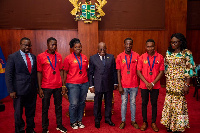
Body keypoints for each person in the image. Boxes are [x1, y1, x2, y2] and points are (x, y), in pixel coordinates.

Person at [160, 33, 196, 132]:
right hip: (170, 82)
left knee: (179, 103)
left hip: (181, 82)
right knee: (169, 102)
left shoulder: (186, 53)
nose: (173, 44)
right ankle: (169, 124)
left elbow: (189, 69)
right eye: (171, 42)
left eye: (175, 42)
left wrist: (187, 84)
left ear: (181, 42)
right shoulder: (169, 52)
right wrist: (167, 80)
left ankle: (179, 126)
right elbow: (166, 67)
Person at [5, 37, 37, 133]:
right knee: (18, 113)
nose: (27, 47)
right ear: (20, 45)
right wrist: (11, 90)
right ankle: (19, 130)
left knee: (31, 111)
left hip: (31, 90)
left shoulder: (33, 57)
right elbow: (8, 75)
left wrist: (37, 88)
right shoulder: (13, 57)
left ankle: (30, 129)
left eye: (29, 45)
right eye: (25, 45)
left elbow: (34, 74)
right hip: (18, 91)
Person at [37, 37, 67, 133]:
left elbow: (61, 71)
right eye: (52, 44)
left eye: (55, 45)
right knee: (45, 108)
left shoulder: (58, 56)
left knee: (58, 106)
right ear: (47, 45)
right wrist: (40, 88)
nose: (54, 47)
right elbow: (39, 73)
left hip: (58, 86)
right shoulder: (41, 56)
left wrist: (63, 85)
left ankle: (59, 125)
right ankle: (45, 128)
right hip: (46, 87)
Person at [137, 39, 164, 132]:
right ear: (145, 47)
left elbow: (161, 72)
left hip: (155, 86)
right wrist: (146, 83)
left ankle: (153, 122)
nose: (150, 48)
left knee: (154, 104)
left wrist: (152, 83)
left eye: (151, 46)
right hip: (144, 85)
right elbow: (138, 71)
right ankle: (145, 122)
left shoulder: (160, 57)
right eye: (148, 46)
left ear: (154, 47)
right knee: (144, 103)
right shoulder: (142, 57)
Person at [89, 42, 118, 128]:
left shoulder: (111, 57)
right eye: (100, 49)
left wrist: (115, 83)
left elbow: (114, 71)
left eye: (104, 49)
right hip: (98, 85)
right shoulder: (93, 58)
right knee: (97, 103)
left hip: (109, 84)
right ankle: (97, 119)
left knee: (108, 102)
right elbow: (90, 73)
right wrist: (91, 85)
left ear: (106, 49)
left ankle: (108, 118)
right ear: (97, 50)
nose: (102, 51)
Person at [62, 38, 89, 129]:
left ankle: (79, 120)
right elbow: (65, 72)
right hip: (72, 84)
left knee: (82, 103)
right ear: (72, 48)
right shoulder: (68, 58)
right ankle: (73, 122)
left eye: (80, 47)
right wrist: (64, 85)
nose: (78, 48)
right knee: (74, 103)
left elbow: (86, 70)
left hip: (84, 83)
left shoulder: (85, 57)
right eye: (76, 47)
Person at [116, 38, 140, 129]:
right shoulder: (120, 56)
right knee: (124, 103)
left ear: (132, 45)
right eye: (127, 44)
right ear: (124, 45)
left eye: (130, 44)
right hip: (124, 85)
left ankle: (133, 121)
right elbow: (118, 72)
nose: (128, 46)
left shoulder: (137, 56)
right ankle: (123, 121)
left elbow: (139, 71)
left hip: (134, 84)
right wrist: (119, 85)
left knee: (133, 103)